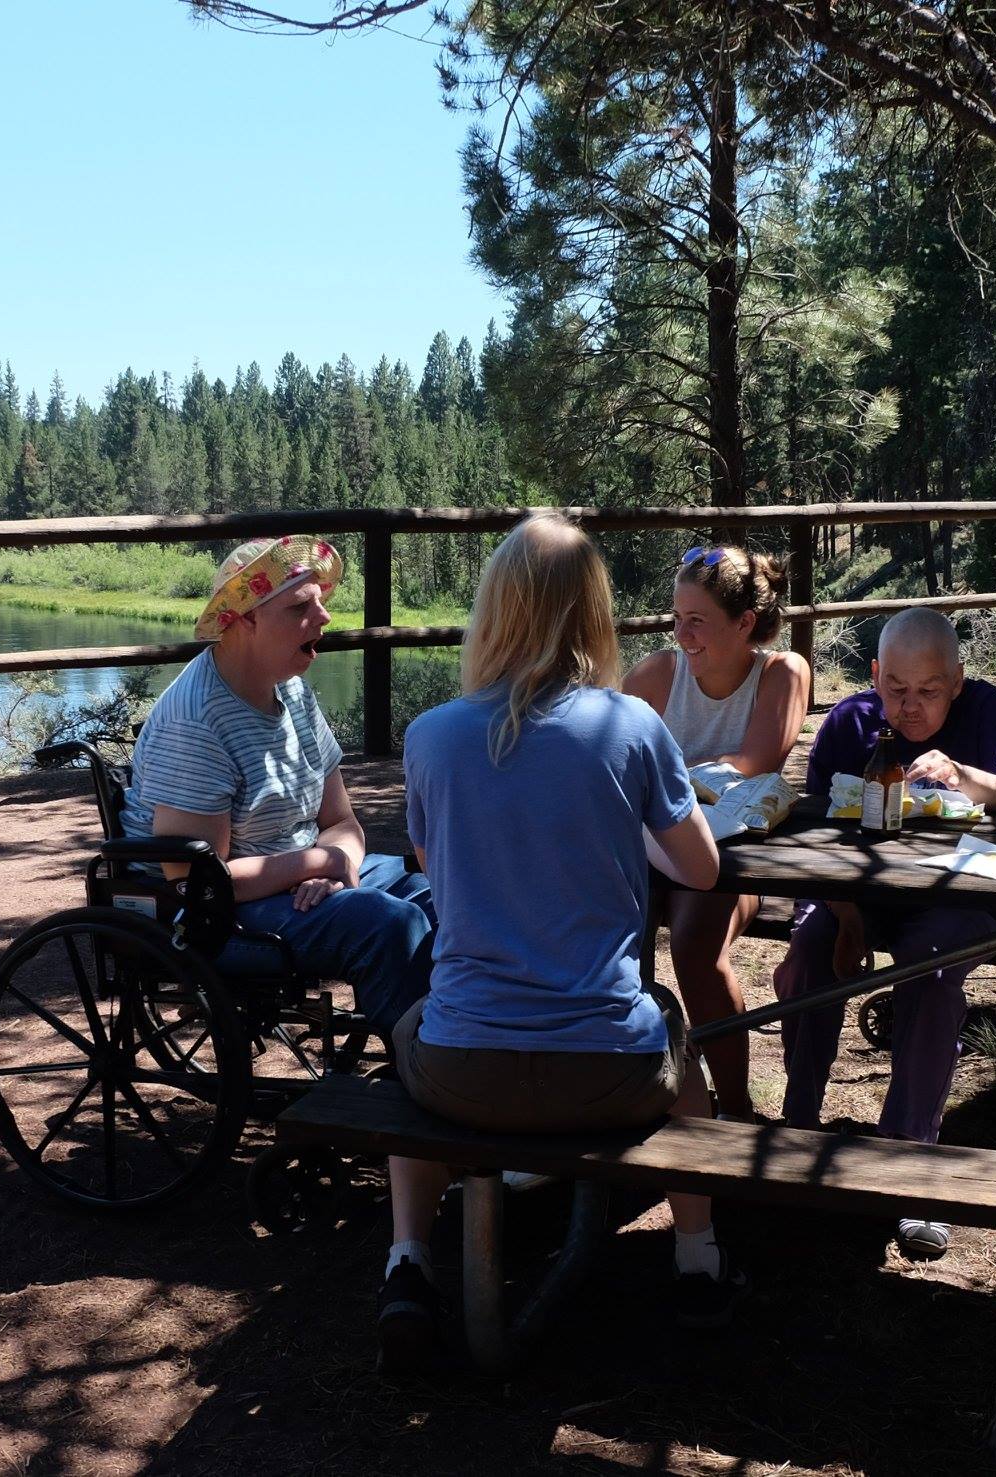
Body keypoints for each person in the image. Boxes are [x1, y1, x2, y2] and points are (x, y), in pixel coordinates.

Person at [379, 514, 740, 1372]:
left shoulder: (430, 735)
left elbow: (436, 860)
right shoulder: (632, 728)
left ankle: (407, 1263)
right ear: (592, 615)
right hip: (606, 1071)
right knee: (676, 1036)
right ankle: (697, 1258)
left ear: (493, 611)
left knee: (407, 1033)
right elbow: (700, 868)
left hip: (466, 1069)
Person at [772, 606, 996, 1261]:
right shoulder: (848, 723)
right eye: (894, 688)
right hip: (860, 892)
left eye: (927, 691)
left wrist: (962, 776)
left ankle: (907, 1164)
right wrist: (848, 919)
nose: (909, 707)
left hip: (961, 895)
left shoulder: (989, 714)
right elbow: (818, 841)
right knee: (807, 949)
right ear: (873, 675)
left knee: (932, 966)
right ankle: (797, 1124)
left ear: (955, 680)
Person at [120, 534, 434, 1036]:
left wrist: (334, 866)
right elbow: (194, 881)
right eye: (299, 606)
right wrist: (316, 863)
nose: (324, 616)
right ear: (244, 618)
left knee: (442, 894)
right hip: (211, 916)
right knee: (387, 925)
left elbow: (341, 821)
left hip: (298, 879)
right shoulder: (197, 719)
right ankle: (414, 1072)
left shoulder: (291, 688)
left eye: (320, 602)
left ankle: (463, 1048)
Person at [623, 545, 812, 1121]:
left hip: (734, 855)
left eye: (697, 622)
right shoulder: (656, 675)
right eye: (677, 619)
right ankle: (622, 1088)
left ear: (745, 623)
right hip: (646, 848)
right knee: (604, 938)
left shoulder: (782, 674)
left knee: (695, 949)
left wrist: (662, 782)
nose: (683, 635)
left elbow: (754, 759)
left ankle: (733, 1108)